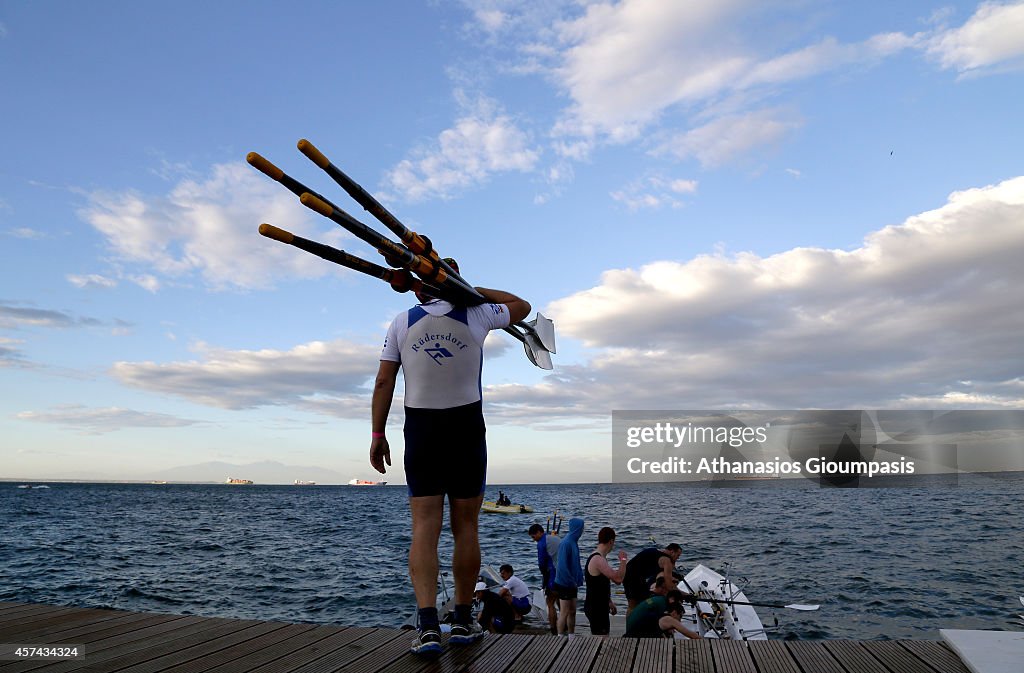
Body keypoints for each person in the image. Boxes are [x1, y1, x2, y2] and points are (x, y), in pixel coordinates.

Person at [369, 258, 531, 656]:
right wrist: (473, 291)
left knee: (424, 527)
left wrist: (377, 434)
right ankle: (460, 620)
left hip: (420, 430)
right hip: (465, 428)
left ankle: (427, 626)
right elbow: (521, 305)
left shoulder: (401, 321)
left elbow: (384, 379)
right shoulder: (477, 314)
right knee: (466, 527)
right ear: (454, 282)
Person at [583, 527, 628, 636]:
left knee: (601, 637)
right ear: (611, 541)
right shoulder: (598, 559)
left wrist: (609, 601)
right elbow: (618, 579)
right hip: (596, 608)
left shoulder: (599, 557)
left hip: (599, 605)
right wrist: (623, 560)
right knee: (601, 640)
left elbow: (598, 585)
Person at [623, 543, 682, 615]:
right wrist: (683, 595)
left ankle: (630, 625)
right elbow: (669, 585)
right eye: (678, 555)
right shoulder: (666, 560)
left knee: (632, 605)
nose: (678, 558)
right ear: (672, 552)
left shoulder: (655, 551)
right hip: (635, 579)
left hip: (626, 574)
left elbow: (656, 569)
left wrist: (674, 574)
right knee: (641, 603)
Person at [624, 589, 700, 639]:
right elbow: (689, 634)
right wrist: (705, 641)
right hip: (631, 640)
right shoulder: (667, 617)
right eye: (680, 617)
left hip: (630, 634)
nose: (679, 621)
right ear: (674, 612)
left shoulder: (660, 610)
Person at [552, 517, 584, 635]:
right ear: (576, 528)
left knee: (573, 611)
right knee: (564, 611)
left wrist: (578, 578)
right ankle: (560, 636)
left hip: (572, 583)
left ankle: (571, 636)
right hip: (564, 582)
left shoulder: (574, 542)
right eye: (581, 528)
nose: (582, 530)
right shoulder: (566, 543)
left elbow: (575, 563)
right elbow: (562, 566)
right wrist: (570, 580)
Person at [528, 523, 560, 634]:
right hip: (564, 573)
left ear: (539, 532)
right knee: (560, 599)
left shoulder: (541, 543)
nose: (534, 540)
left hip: (553, 574)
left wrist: (544, 576)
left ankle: (553, 629)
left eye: (533, 536)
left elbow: (541, 563)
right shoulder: (555, 538)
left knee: (550, 602)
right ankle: (564, 624)